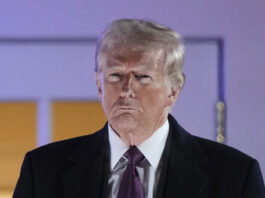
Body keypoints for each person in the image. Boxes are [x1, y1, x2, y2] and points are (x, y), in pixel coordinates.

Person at [13, 19, 265, 198]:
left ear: (173, 91)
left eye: (143, 76)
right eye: (115, 75)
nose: (126, 89)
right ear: (99, 86)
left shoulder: (235, 175)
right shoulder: (43, 169)